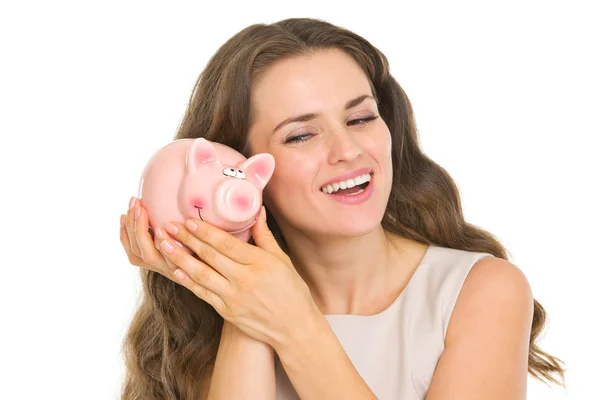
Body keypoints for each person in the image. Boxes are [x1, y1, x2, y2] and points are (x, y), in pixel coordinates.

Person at [118, 17, 565, 400]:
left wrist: (293, 323)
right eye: (301, 135)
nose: (348, 150)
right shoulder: (208, 329)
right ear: (241, 166)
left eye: (360, 118)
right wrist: (240, 288)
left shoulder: (481, 291)